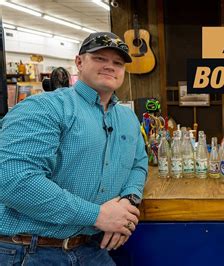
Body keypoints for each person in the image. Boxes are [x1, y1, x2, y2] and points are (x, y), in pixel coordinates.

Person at [0, 32, 148, 265]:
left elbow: (139, 164)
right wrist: (98, 215)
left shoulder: (128, 118)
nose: (110, 66)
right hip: (31, 249)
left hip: (91, 249)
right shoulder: (44, 108)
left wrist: (127, 203)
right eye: (100, 58)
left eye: (118, 63)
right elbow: (14, 180)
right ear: (79, 62)